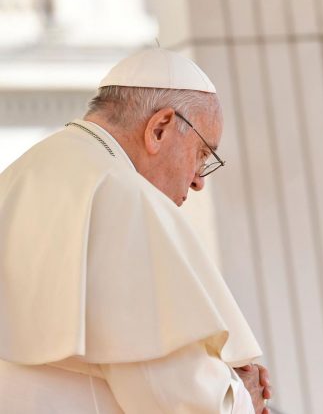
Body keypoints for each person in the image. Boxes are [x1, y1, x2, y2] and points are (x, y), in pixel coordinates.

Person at [0, 48, 272, 413]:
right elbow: (174, 397)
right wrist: (241, 396)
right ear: (159, 128)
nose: (197, 181)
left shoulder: (18, 176)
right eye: (202, 155)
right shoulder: (122, 198)